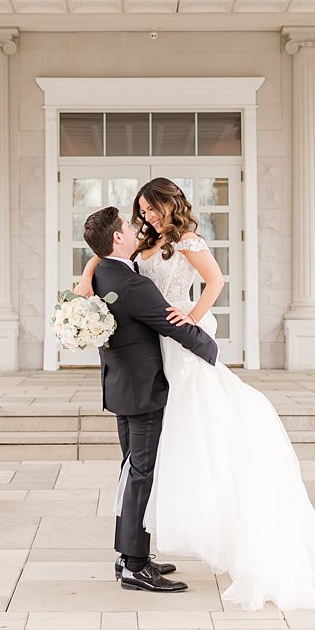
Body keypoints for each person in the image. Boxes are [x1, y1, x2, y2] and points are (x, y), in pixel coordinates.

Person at [76, 178, 315, 611]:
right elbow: (120, 269)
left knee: (165, 448)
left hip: (174, 339)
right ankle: (134, 556)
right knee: (146, 461)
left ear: (170, 204)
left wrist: (195, 323)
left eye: (150, 209)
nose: (144, 218)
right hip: (158, 347)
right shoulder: (136, 252)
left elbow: (215, 283)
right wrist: (93, 266)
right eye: (139, 213)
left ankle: (136, 552)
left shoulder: (187, 241)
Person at [81, 204, 219, 594]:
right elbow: (169, 323)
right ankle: (135, 567)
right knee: (141, 472)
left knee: (133, 470)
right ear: (118, 238)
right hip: (142, 390)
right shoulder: (132, 283)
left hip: (122, 386)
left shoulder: (107, 272)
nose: (135, 226)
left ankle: (129, 554)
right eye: (128, 224)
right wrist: (212, 355)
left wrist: (89, 264)